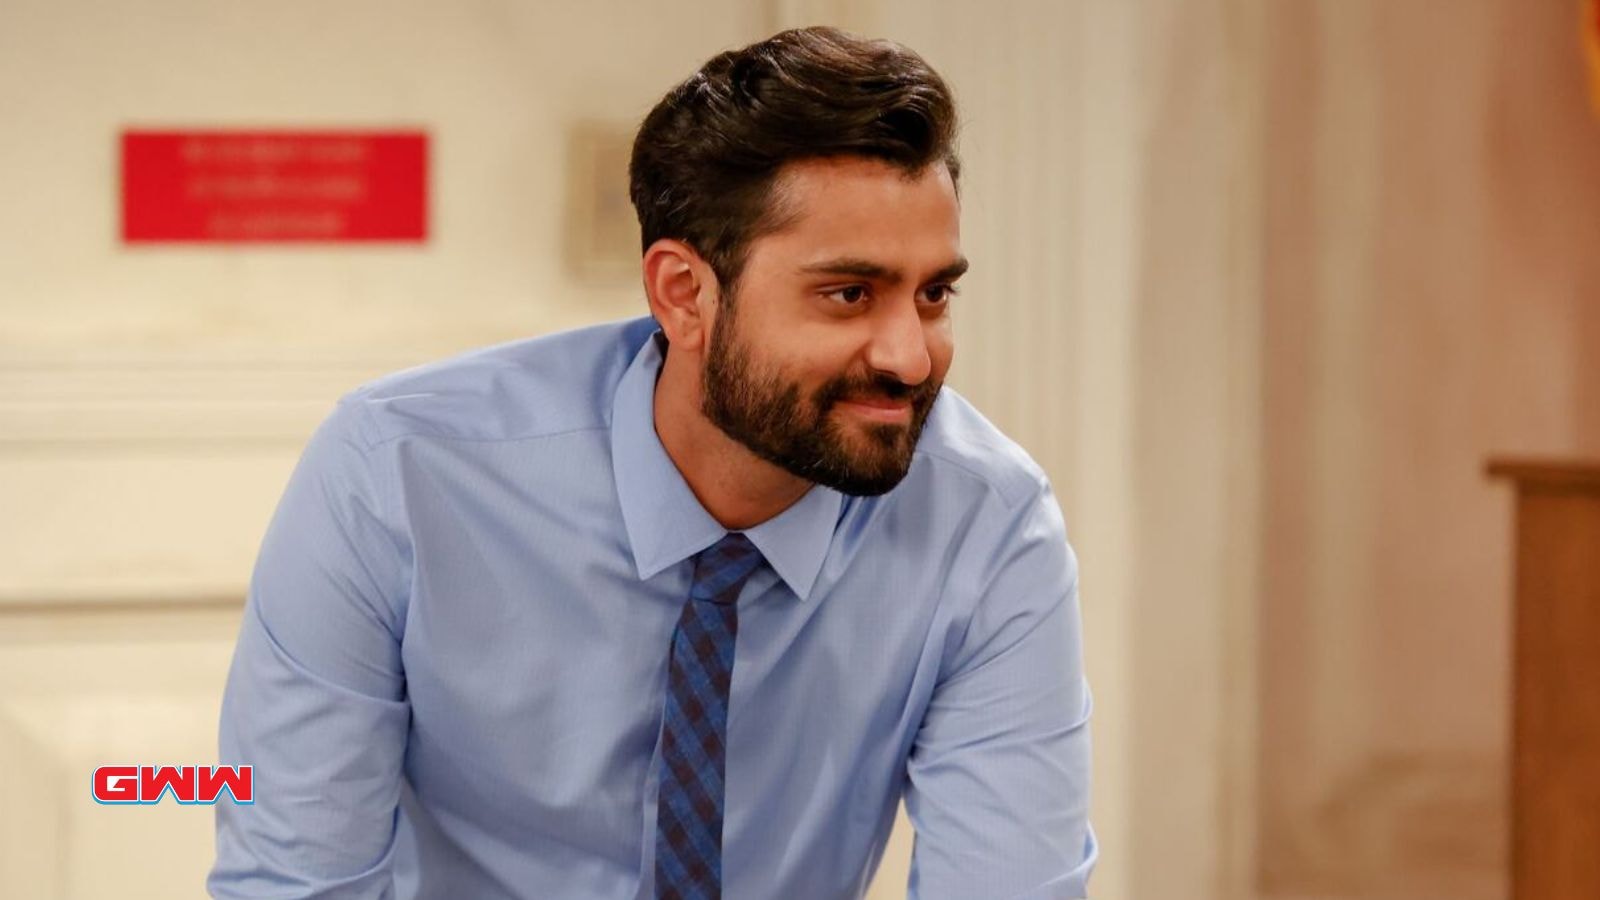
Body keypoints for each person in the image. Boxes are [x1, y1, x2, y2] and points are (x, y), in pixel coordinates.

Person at [208, 25, 1096, 900]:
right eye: (849, 294)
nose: (909, 356)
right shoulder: (398, 475)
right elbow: (296, 878)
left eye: (934, 293)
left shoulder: (987, 524)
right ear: (685, 294)